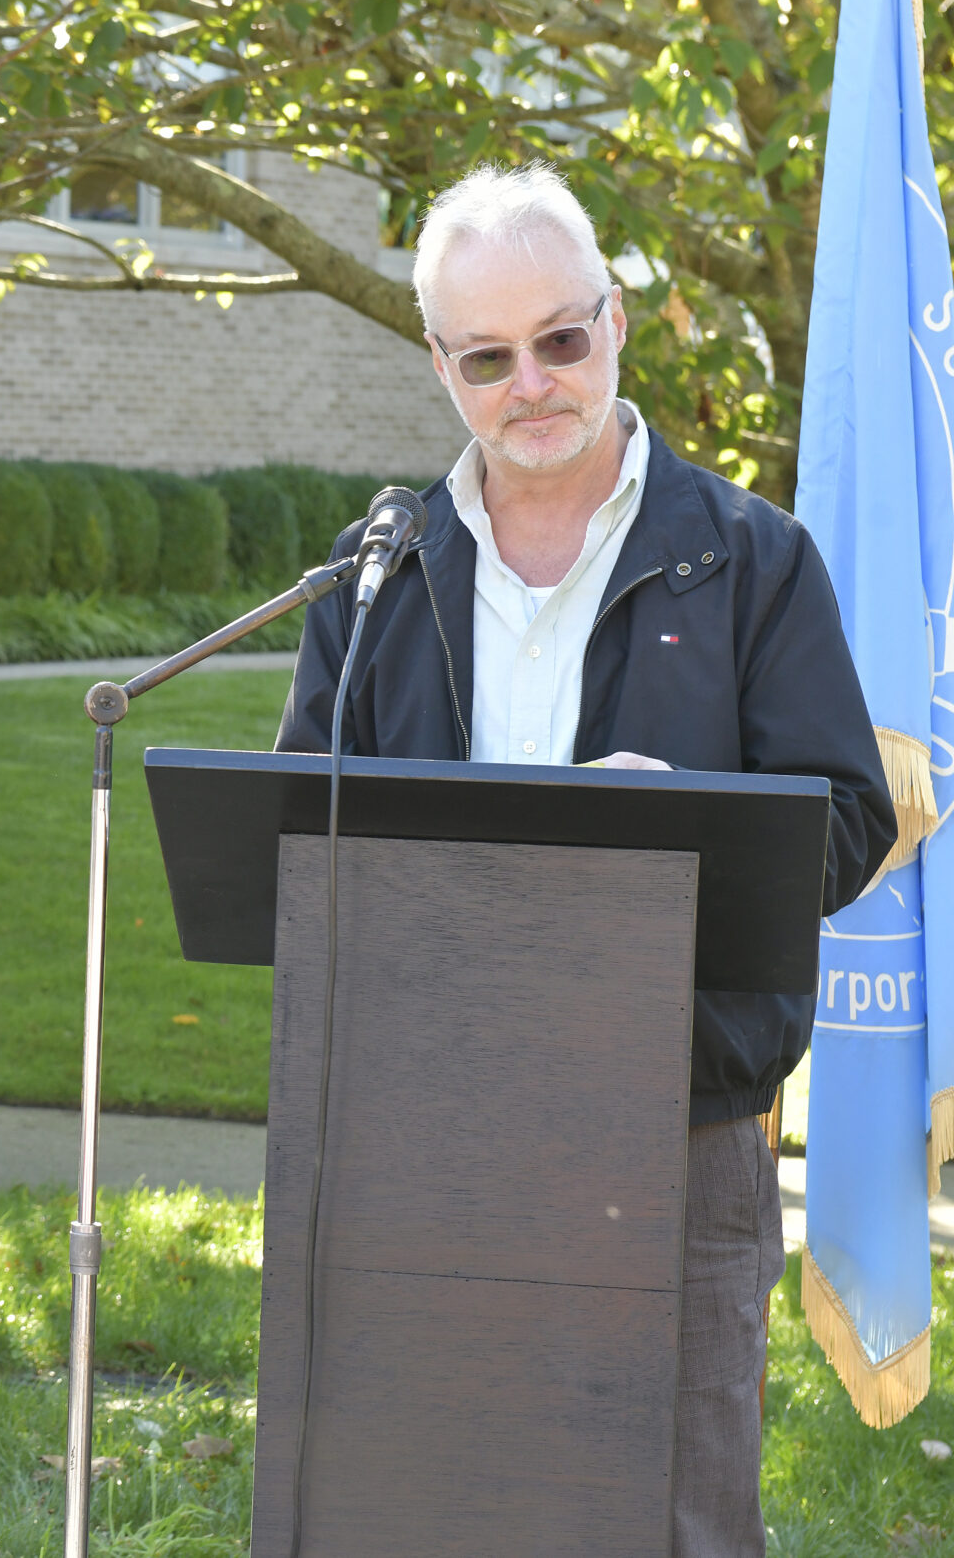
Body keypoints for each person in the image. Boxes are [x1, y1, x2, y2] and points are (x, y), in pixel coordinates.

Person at [277, 163, 896, 1558]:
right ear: (441, 364)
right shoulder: (383, 566)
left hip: (674, 1119)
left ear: (616, 320)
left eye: (561, 338)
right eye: (487, 357)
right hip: (422, 1122)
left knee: (671, 1514)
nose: (532, 383)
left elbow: (848, 818)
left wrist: (676, 822)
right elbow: (301, 834)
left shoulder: (752, 557)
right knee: (433, 1500)